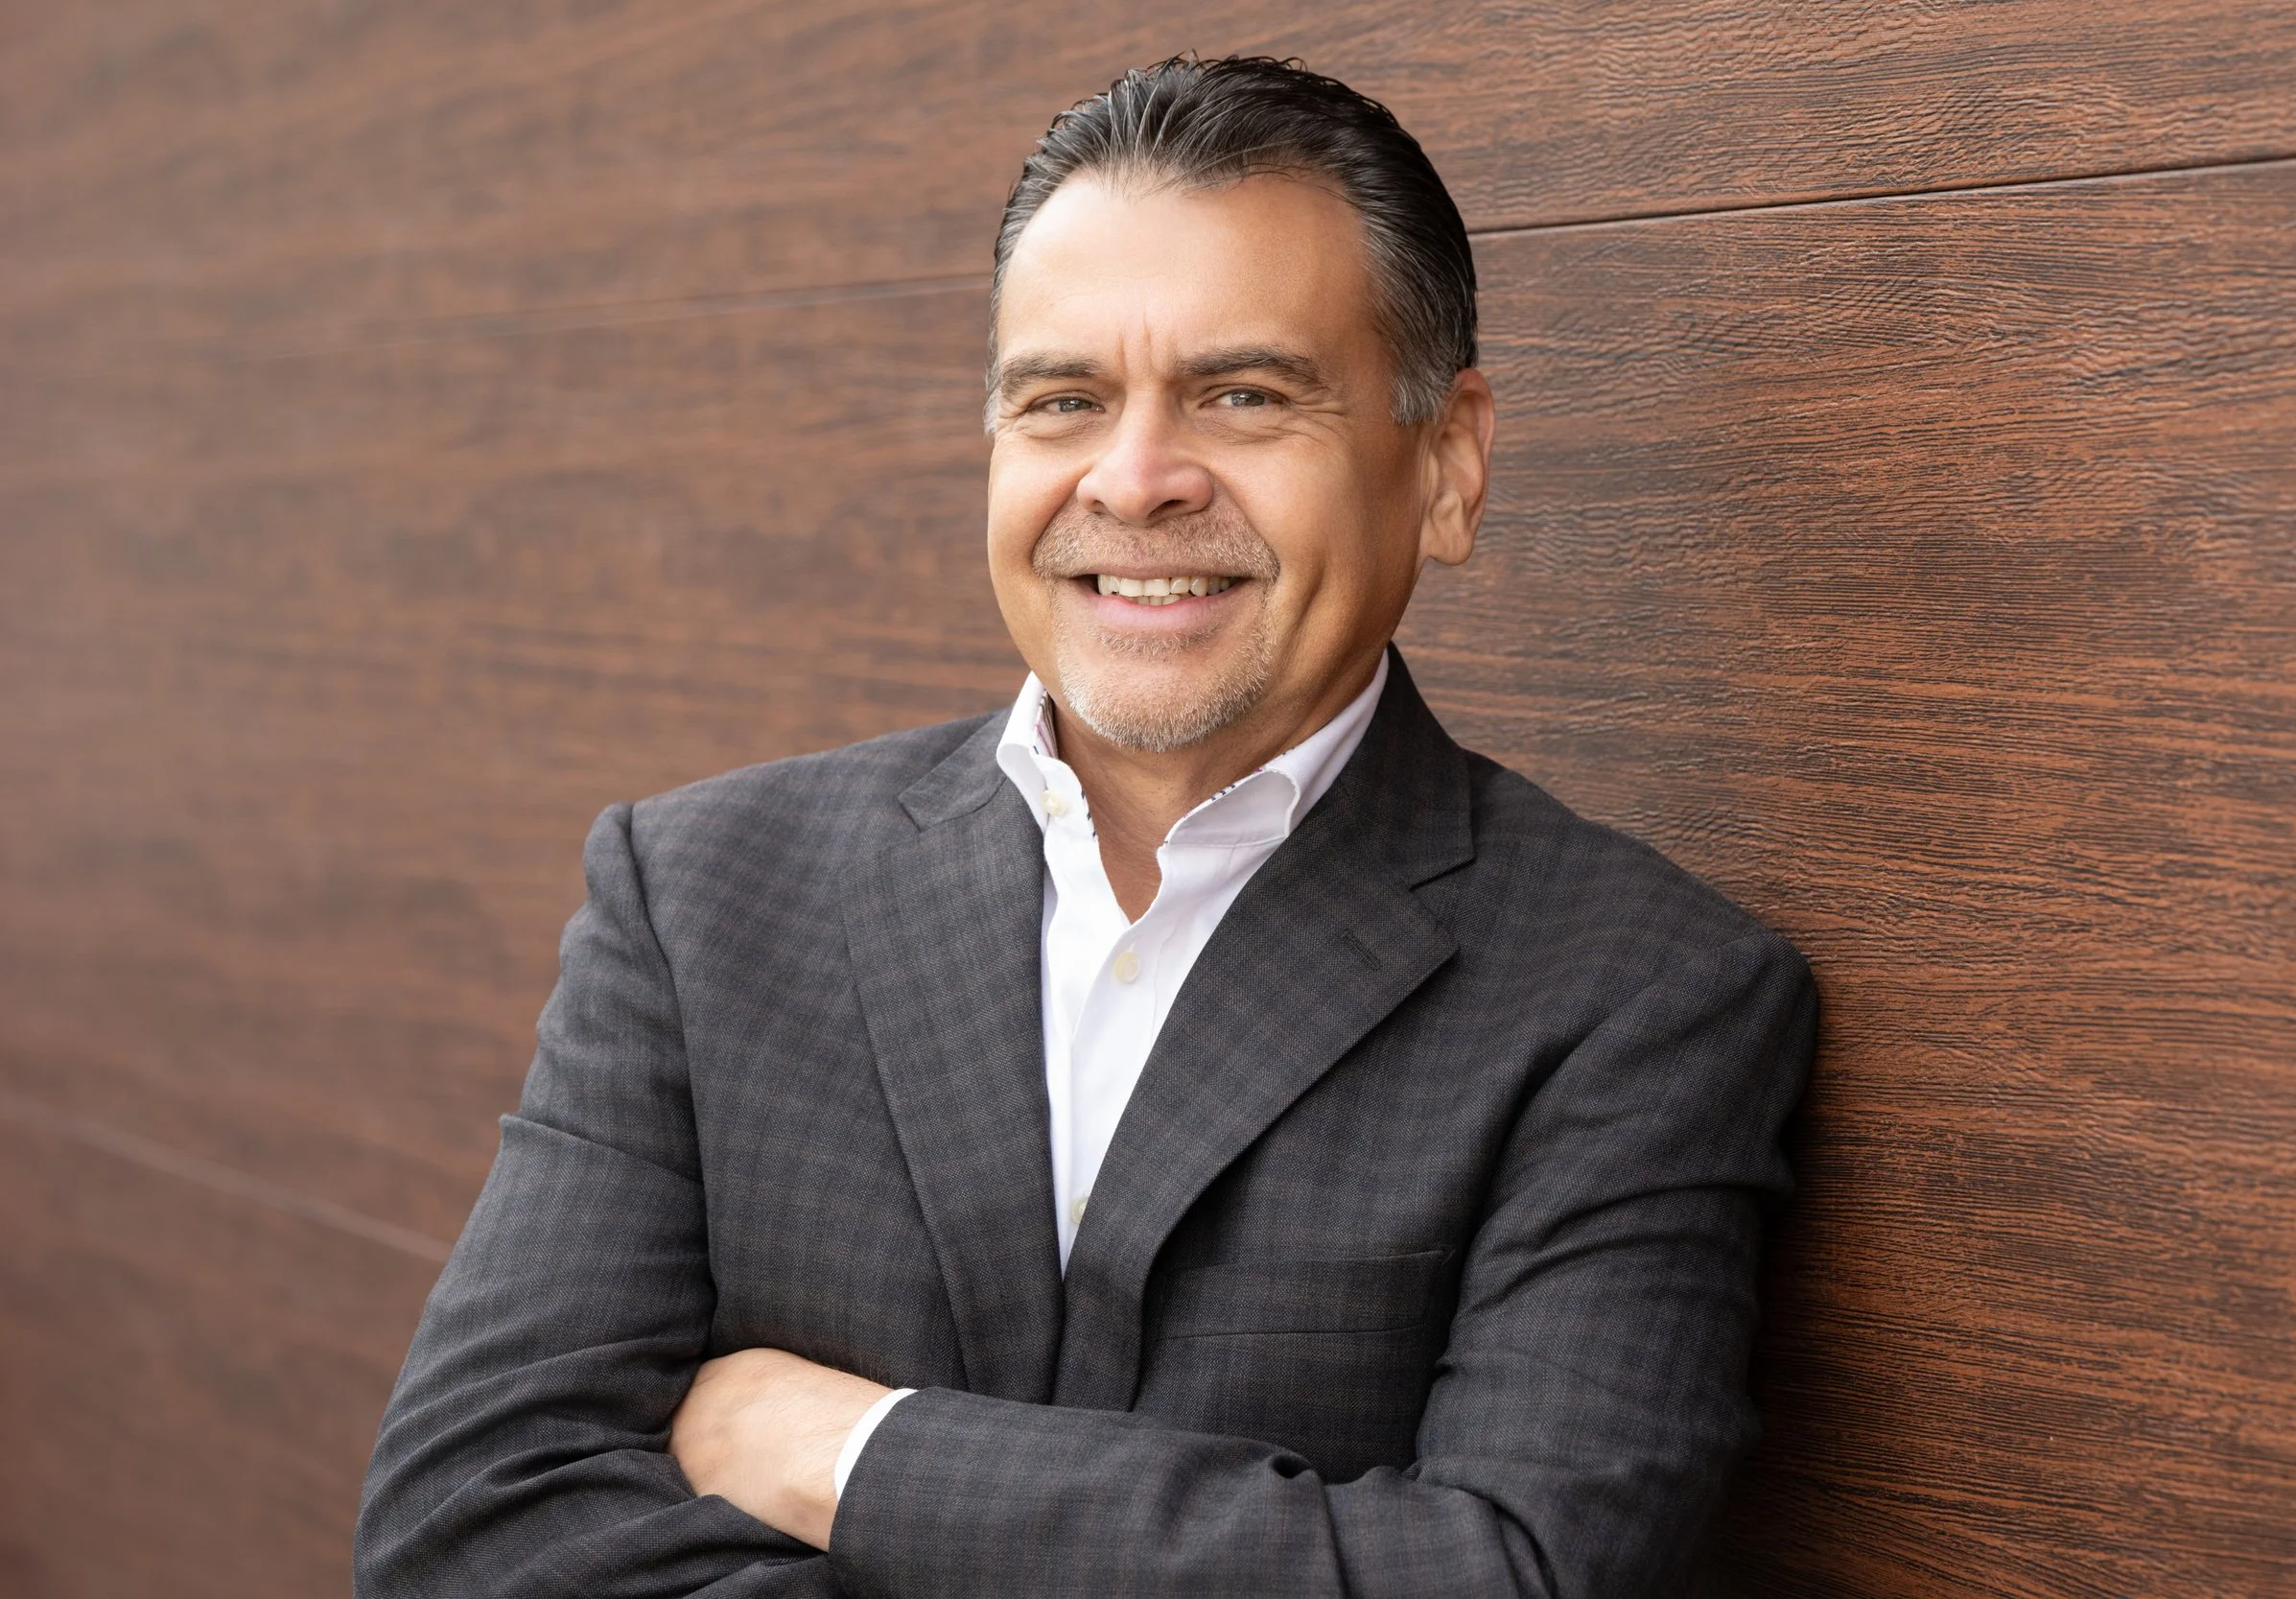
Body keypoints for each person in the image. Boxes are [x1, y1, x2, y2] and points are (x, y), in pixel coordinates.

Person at [354, 54, 1816, 1598]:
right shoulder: (702, 898)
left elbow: (1513, 1575)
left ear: (1446, 465)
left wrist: (853, 1452)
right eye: (1064, 402)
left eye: (1244, 396)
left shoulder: (1637, 997)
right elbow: (466, 1528)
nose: (1135, 481)